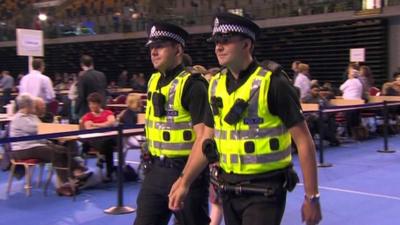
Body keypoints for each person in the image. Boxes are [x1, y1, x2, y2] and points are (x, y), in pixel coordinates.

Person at [168, 12, 322, 225]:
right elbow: (206, 139)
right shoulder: (215, 85)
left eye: (225, 41)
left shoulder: (274, 83)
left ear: (247, 45)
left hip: (265, 190)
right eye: (216, 42)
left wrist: (312, 197)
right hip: (228, 189)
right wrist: (184, 181)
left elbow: (304, 141)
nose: (218, 47)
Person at [134, 22, 212, 225]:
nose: (154, 52)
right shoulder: (153, 81)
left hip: (186, 171)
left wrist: (185, 180)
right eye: (151, 47)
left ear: (178, 49)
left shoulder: (194, 85)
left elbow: (205, 138)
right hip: (155, 169)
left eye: (160, 46)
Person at [9, 94, 91, 196]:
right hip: (23, 149)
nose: (34, 107)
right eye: (32, 104)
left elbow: (41, 129)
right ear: (27, 105)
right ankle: (68, 181)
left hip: (37, 145)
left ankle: (76, 173)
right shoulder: (19, 118)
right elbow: (37, 129)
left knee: (62, 150)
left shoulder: (32, 116)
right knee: (55, 153)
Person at [81, 92, 116, 182]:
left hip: (107, 139)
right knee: (109, 146)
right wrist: (103, 125)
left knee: (109, 142)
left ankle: (102, 157)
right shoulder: (87, 116)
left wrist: (95, 125)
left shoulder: (108, 112)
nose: (91, 106)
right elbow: (89, 127)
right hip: (94, 140)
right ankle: (109, 173)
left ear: (99, 104)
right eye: (90, 104)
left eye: (93, 103)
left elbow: (111, 123)